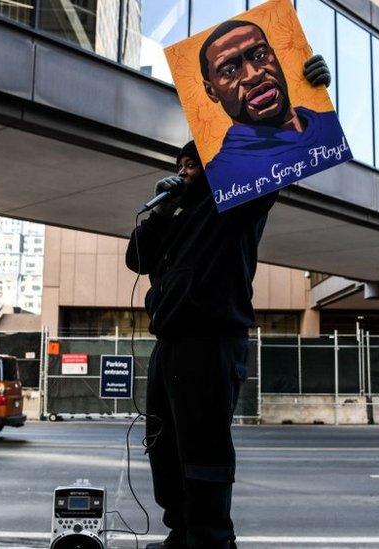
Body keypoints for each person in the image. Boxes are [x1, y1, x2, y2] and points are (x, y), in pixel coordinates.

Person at [125, 54, 331, 549]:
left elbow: (281, 156)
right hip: (171, 344)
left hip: (212, 340)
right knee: (163, 443)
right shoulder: (172, 217)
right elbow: (137, 258)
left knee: (203, 445)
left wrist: (307, 92)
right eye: (180, 165)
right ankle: (182, 529)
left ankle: (211, 538)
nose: (185, 170)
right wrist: (161, 209)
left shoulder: (234, 204)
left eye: (194, 163)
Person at [199, 20, 348, 205]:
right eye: (229, 71)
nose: (253, 74)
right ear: (211, 91)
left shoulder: (326, 129)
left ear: (275, 56)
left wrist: (316, 89)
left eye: (260, 55)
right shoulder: (223, 174)